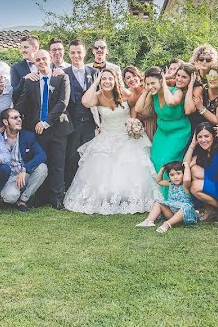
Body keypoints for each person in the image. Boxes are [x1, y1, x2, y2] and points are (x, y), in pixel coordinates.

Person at [64, 69, 159, 214]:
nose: (107, 82)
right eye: (104, 79)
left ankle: (128, 197)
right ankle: (108, 197)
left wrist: (132, 121)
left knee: (129, 168)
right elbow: (85, 102)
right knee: (104, 170)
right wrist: (95, 82)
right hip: (106, 137)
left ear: (115, 80)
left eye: (110, 79)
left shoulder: (125, 93)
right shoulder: (97, 95)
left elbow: (134, 107)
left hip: (126, 136)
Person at [12, 49, 73, 209]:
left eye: (44, 59)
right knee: (43, 162)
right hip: (37, 130)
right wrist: (13, 118)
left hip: (58, 127)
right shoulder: (30, 81)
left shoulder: (61, 77)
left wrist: (45, 122)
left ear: (50, 59)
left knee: (58, 164)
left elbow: (62, 103)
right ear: (34, 63)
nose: (41, 62)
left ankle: (57, 197)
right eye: (37, 60)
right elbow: (21, 103)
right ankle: (41, 196)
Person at [136, 67, 191, 193]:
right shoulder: (152, 94)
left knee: (167, 160)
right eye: (147, 83)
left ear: (161, 81)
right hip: (162, 132)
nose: (150, 86)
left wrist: (164, 85)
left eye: (152, 83)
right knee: (155, 159)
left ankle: (171, 195)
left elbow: (171, 102)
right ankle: (157, 195)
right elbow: (139, 109)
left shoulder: (176, 91)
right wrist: (146, 91)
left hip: (179, 131)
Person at [0, 108, 48, 212]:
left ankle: (23, 200)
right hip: (5, 178)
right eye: (15, 118)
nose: (19, 120)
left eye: (20, 117)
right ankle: (5, 195)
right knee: (10, 197)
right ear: (5, 122)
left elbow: (41, 155)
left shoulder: (27, 136)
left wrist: (25, 169)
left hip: (23, 175)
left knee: (42, 168)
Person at [63, 40, 98, 186]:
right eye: (72, 52)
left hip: (90, 122)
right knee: (71, 156)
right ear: (69, 54)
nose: (76, 55)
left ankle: (88, 186)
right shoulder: (63, 73)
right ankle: (70, 187)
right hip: (72, 122)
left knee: (90, 155)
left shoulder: (94, 73)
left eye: (79, 52)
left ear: (84, 53)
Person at [136, 161, 199, 233]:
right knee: (158, 203)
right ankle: (149, 221)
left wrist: (187, 166)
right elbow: (159, 181)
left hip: (184, 216)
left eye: (178, 174)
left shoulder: (185, 186)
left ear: (183, 174)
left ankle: (167, 224)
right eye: (172, 175)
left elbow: (187, 179)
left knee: (186, 206)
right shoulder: (170, 184)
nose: (175, 177)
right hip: (172, 214)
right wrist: (162, 169)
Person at [185, 61, 218, 132]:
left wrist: (201, 109)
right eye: (210, 76)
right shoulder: (202, 88)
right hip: (198, 128)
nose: (212, 79)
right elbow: (188, 110)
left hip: (215, 131)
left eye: (215, 77)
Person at [123, 65, 156, 140]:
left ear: (139, 76)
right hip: (139, 124)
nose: (132, 79)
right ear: (125, 81)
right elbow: (132, 108)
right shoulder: (128, 93)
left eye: (134, 76)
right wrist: (133, 123)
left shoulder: (148, 87)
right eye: (128, 78)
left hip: (153, 122)